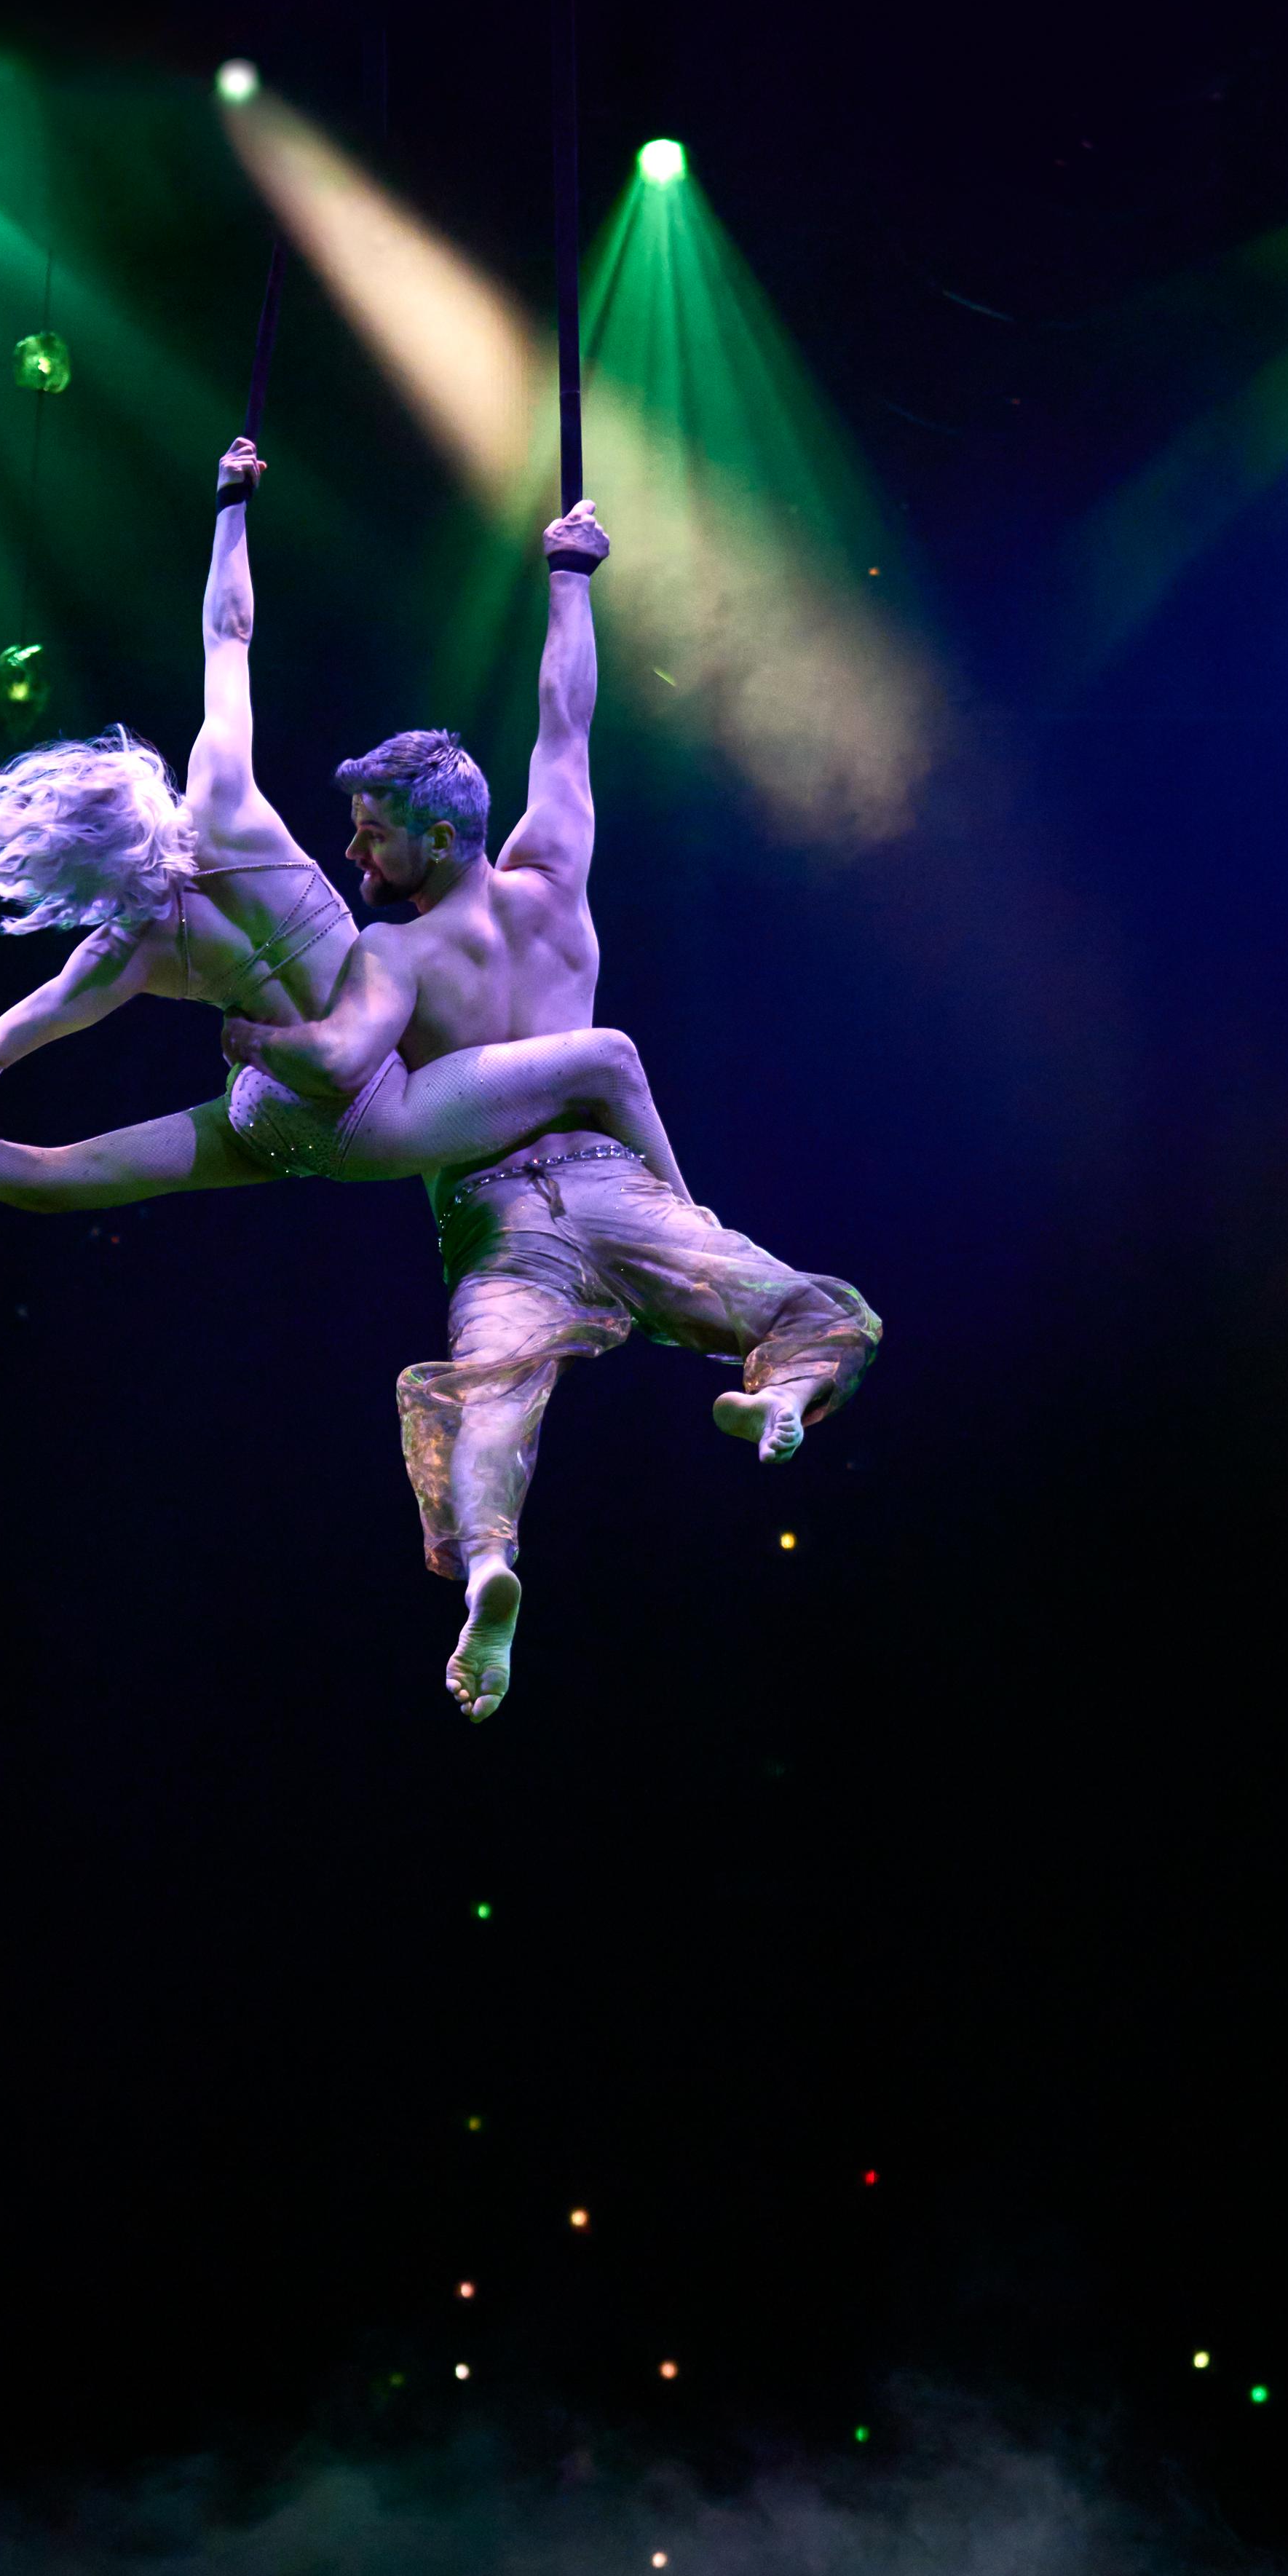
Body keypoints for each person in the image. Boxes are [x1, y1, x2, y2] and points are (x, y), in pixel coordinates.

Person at [223, 505, 880, 1723]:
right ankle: (779, 1395)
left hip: (498, 1217)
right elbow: (565, 720)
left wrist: (254, 1037)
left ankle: (489, 1568)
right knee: (806, 1306)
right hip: (616, 1178)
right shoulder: (556, 874)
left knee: (490, 1399)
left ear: (435, 836)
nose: (356, 858)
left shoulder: (397, 951)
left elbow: (336, 1064)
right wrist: (571, 576)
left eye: (372, 838)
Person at [0, 442, 690, 1216]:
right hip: (359, 1101)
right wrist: (231, 507)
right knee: (586, 1071)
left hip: (266, 1116)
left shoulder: (123, 946)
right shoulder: (223, 803)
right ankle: (685, 1232)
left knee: (50, 1176)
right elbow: (232, 634)